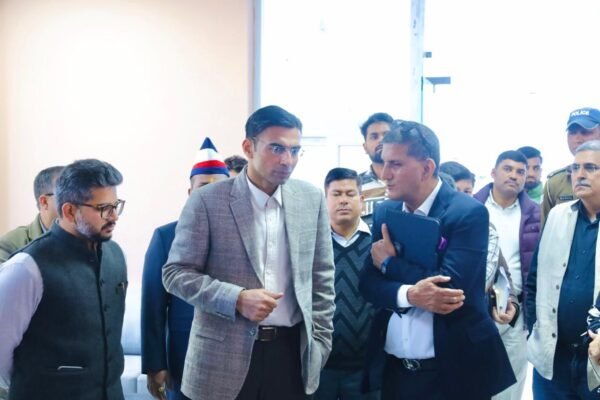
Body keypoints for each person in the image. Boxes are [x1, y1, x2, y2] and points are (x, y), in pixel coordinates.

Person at [162, 105, 335, 400]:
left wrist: (320, 342)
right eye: (276, 148)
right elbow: (175, 274)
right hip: (221, 358)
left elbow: (322, 277)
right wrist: (237, 298)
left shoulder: (311, 199)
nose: (287, 160)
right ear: (248, 147)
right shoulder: (207, 201)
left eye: (295, 150)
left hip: (291, 355)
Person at [359, 120, 515, 399]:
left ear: (427, 168)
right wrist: (410, 295)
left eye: (395, 164)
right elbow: (368, 285)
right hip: (395, 371)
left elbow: (450, 291)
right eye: (384, 163)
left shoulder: (467, 212)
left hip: (454, 372)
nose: (384, 174)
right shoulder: (385, 211)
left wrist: (391, 265)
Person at [0, 159, 127, 400]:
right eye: (103, 208)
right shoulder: (26, 267)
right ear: (69, 211)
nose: (114, 217)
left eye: (116, 205)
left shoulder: (116, 255)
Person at [141, 137, 230, 400]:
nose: (211, 193)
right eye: (203, 186)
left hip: (233, 355)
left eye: (219, 186)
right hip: (184, 354)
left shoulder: (246, 236)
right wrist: (155, 364)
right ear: (191, 193)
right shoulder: (166, 237)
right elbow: (153, 305)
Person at [527, 140, 600, 399]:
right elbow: (535, 277)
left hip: (596, 356)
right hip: (553, 355)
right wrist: (533, 326)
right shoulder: (558, 215)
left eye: (590, 167)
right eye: (575, 168)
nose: (579, 174)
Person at [473, 150, 541, 400]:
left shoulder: (536, 214)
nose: (514, 176)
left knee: (510, 387)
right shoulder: (472, 207)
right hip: (475, 309)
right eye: (508, 169)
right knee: (472, 380)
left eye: (520, 172)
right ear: (493, 172)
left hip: (515, 312)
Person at [314, 168, 378, 400]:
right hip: (318, 365)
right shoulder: (312, 243)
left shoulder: (379, 243)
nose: (343, 200)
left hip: (366, 367)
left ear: (362, 200)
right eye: (336, 194)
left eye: (350, 194)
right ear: (325, 199)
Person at [542, 107, 600, 222]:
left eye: (585, 132)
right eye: (573, 132)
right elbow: (547, 230)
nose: (578, 138)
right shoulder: (555, 183)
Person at [0, 165, 64, 262]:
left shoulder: (85, 238)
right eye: (68, 195)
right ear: (44, 202)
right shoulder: (10, 245)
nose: (78, 203)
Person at [358, 113, 394, 219]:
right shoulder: (355, 186)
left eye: (386, 135)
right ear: (365, 147)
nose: (381, 140)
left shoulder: (410, 181)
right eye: (374, 137)